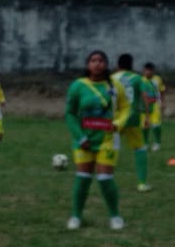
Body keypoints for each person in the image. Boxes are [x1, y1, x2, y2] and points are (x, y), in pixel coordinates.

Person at [64, 50, 125, 232]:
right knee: (83, 177)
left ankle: (115, 216)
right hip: (84, 139)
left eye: (101, 60)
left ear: (106, 64)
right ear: (87, 65)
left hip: (108, 139)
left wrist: (118, 123)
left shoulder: (114, 86)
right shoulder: (78, 86)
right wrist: (80, 137)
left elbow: (126, 108)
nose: (97, 63)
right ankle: (76, 216)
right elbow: (70, 114)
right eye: (93, 60)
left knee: (105, 178)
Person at [112, 52, 151, 192]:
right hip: (132, 118)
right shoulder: (137, 78)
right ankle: (142, 184)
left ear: (118, 65)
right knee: (140, 148)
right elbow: (145, 97)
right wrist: (147, 116)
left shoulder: (111, 78)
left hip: (115, 118)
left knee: (111, 148)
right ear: (131, 65)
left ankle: (106, 179)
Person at [141, 62, 166, 151]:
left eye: (149, 70)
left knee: (156, 124)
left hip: (155, 104)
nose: (147, 72)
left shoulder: (157, 79)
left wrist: (162, 102)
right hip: (144, 105)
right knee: (144, 125)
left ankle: (157, 143)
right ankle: (144, 144)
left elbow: (162, 91)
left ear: (153, 71)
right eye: (146, 70)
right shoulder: (141, 80)